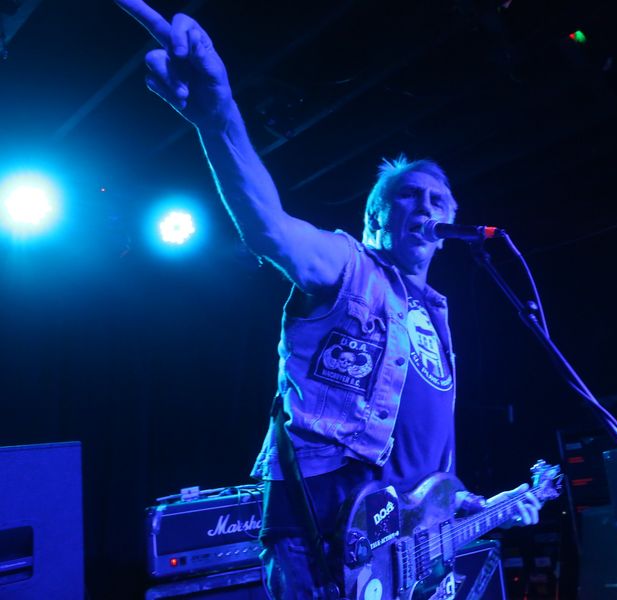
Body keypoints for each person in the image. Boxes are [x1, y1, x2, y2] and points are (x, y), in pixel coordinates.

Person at [113, 2, 541, 598]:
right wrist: (218, 116)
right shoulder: (350, 266)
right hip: (326, 523)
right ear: (376, 219)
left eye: (439, 201)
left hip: (399, 546)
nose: (426, 207)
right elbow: (268, 228)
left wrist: (472, 504)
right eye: (409, 196)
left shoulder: (437, 318)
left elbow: (424, 467)